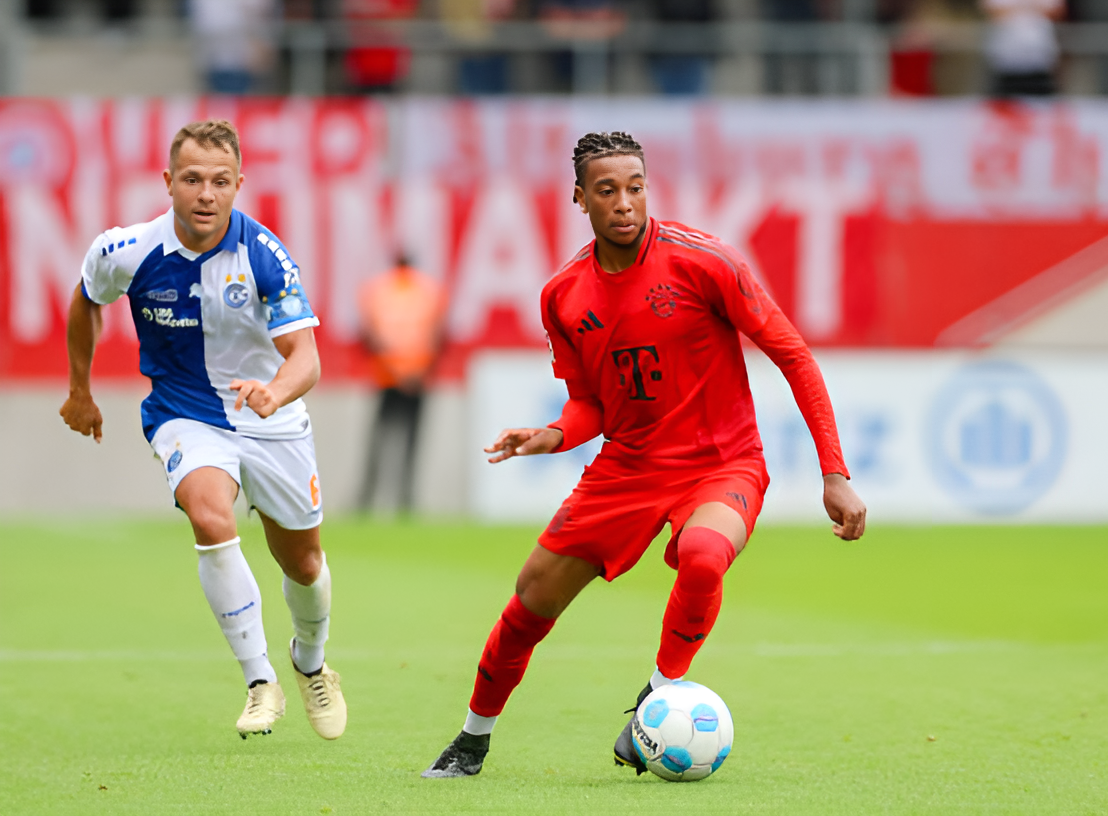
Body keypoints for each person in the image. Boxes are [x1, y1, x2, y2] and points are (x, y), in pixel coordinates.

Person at [422, 131, 866, 778]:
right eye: (607, 191)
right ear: (580, 198)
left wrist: (835, 473)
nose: (624, 203)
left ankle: (656, 699)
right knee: (528, 605)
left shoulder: (707, 262)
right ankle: (471, 740)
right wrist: (550, 435)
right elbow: (589, 406)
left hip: (722, 463)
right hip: (627, 469)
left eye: (635, 188)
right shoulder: (563, 296)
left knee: (705, 555)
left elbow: (794, 355)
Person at [59, 119, 347, 741]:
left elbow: (307, 357)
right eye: (192, 179)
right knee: (211, 518)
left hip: (271, 417)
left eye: (220, 181)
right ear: (168, 183)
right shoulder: (125, 251)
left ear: (240, 184)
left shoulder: (264, 253)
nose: (206, 194)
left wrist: (274, 390)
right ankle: (259, 680)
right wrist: (80, 389)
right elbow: (85, 300)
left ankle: (311, 661)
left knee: (303, 563)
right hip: (185, 412)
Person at [357, 253, 447, 511]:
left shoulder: (378, 289)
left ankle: (367, 498)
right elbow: (438, 335)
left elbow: (370, 335)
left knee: (378, 440)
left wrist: (393, 370)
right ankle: (405, 499)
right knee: (411, 442)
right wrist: (419, 371)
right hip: (417, 376)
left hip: (387, 376)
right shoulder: (429, 290)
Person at [981, 0, 1065, 97]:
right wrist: (1030, 8)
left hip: (1039, 56)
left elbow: (1057, 12)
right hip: (1006, 57)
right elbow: (994, 12)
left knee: (1040, 101)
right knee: (1004, 100)